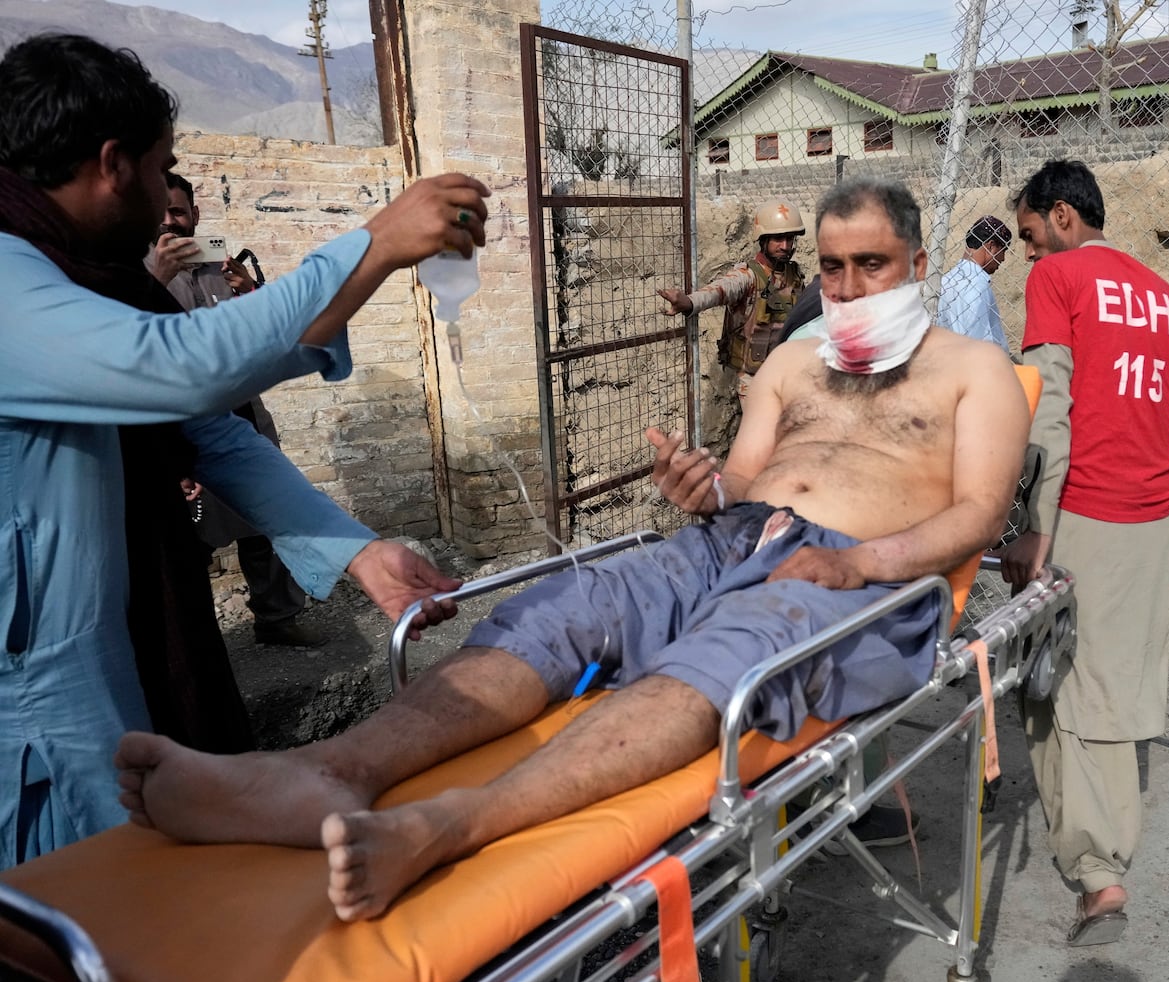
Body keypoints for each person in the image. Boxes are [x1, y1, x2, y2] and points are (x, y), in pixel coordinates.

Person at [115, 176, 1031, 922]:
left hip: (856, 573)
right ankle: (331, 769)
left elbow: (980, 516)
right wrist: (701, 487)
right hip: (735, 539)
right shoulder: (792, 360)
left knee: (717, 661)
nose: (845, 287)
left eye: (870, 264)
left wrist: (859, 563)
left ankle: (448, 825)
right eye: (832, 268)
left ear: (917, 261)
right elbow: (741, 484)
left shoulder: (975, 370)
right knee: (564, 604)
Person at [0, 32, 487, 866]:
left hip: (120, 651)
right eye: (161, 171)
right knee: (83, 908)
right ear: (113, 163)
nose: (166, 200)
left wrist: (359, 552)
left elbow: (205, 430)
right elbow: (175, 370)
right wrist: (371, 246)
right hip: (39, 699)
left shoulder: (81, 274)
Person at [1000, 160, 1169, 947]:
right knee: (1098, 683)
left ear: (1061, 216)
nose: (1026, 254)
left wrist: (1035, 523)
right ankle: (1090, 848)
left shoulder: (1059, 280)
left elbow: (1046, 406)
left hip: (1086, 515)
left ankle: (1101, 877)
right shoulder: (1162, 293)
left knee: (1078, 692)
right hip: (1154, 522)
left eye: (1027, 235)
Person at [147, 171, 325, 648]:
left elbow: (271, 338)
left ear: (195, 216)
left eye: (179, 212)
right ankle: (193, 643)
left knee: (267, 523)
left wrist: (248, 289)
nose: (169, 222)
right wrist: (155, 277)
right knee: (190, 540)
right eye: (160, 212)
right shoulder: (132, 274)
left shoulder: (219, 269)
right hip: (180, 428)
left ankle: (277, 618)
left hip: (244, 417)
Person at [657, 198, 807, 405]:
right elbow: (721, 290)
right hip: (755, 379)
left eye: (790, 239)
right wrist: (690, 302)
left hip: (788, 372)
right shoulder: (747, 275)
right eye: (778, 239)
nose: (785, 246)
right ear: (763, 240)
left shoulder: (795, 275)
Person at [934, 214, 1012, 353]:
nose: (1003, 259)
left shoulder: (947, 280)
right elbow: (979, 342)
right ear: (991, 246)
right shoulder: (978, 285)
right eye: (1003, 250)